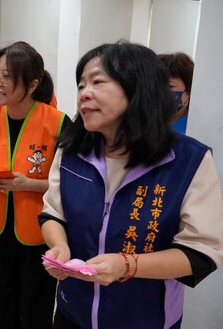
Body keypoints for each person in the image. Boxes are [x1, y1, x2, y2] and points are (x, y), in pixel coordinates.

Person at [39, 41, 223, 329]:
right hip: (72, 312)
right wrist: (59, 246)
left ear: (138, 87)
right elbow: (52, 214)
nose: (84, 94)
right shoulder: (71, 151)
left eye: (97, 81)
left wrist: (127, 265)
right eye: (81, 85)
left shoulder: (189, 160)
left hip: (146, 320)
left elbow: (202, 252)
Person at [0, 41, 71, 329]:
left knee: (35, 308)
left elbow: (66, 183)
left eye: (7, 76)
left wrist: (28, 183)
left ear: (31, 84)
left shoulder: (58, 122)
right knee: (0, 305)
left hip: (39, 232)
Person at [158, 52, 194, 134]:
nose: (160, 91)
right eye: (156, 85)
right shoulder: (139, 124)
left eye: (170, 86)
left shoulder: (194, 128)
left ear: (189, 90)